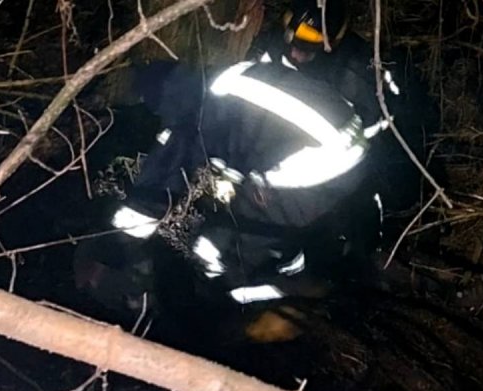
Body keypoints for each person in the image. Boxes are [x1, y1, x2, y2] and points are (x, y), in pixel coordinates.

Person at [73, 57, 384, 333]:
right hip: (346, 143)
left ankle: (242, 309)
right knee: (255, 222)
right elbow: (250, 140)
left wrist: (120, 243)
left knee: (214, 251)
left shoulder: (193, 116)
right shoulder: (226, 80)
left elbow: (156, 191)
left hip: (319, 159)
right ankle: (291, 263)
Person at [254, 0, 439, 213]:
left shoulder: (355, 76)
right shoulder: (276, 45)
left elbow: (359, 143)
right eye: (294, 45)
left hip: (370, 152)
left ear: (331, 43)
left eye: (307, 50)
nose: (296, 55)